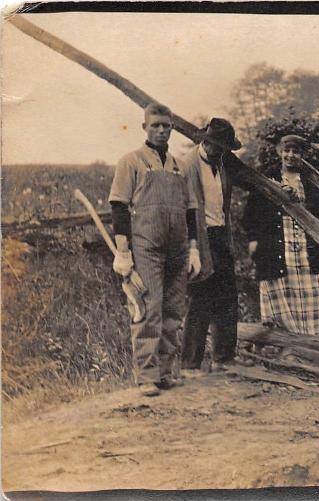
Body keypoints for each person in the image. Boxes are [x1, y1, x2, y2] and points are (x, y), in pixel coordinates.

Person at [108, 103, 201, 397]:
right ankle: (146, 376)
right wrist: (123, 251)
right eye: (156, 125)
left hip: (178, 247)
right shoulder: (131, 162)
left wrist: (194, 249)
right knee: (148, 309)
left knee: (173, 310)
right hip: (146, 246)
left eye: (166, 126)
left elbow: (191, 210)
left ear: (172, 128)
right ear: (145, 127)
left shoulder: (180, 166)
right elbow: (119, 206)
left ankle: (164, 372)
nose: (161, 130)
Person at [243, 134, 319, 337]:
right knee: (280, 294)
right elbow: (251, 214)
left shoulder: (311, 182)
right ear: (279, 152)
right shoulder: (267, 178)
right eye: (287, 151)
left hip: (304, 245)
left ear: (302, 155)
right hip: (276, 247)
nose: (290, 155)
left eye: (296, 152)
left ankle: (311, 344)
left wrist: (299, 204)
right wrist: (254, 239)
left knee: (311, 292)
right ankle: (282, 346)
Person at [181, 118, 241, 375]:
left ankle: (223, 359)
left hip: (220, 236)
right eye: (217, 146)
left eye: (224, 148)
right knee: (200, 298)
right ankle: (191, 363)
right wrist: (189, 248)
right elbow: (182, 210)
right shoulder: (187, 166)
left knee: (227, 298)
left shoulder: (223, 165)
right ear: (205, 141)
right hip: (198, 237)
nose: (220, 151)